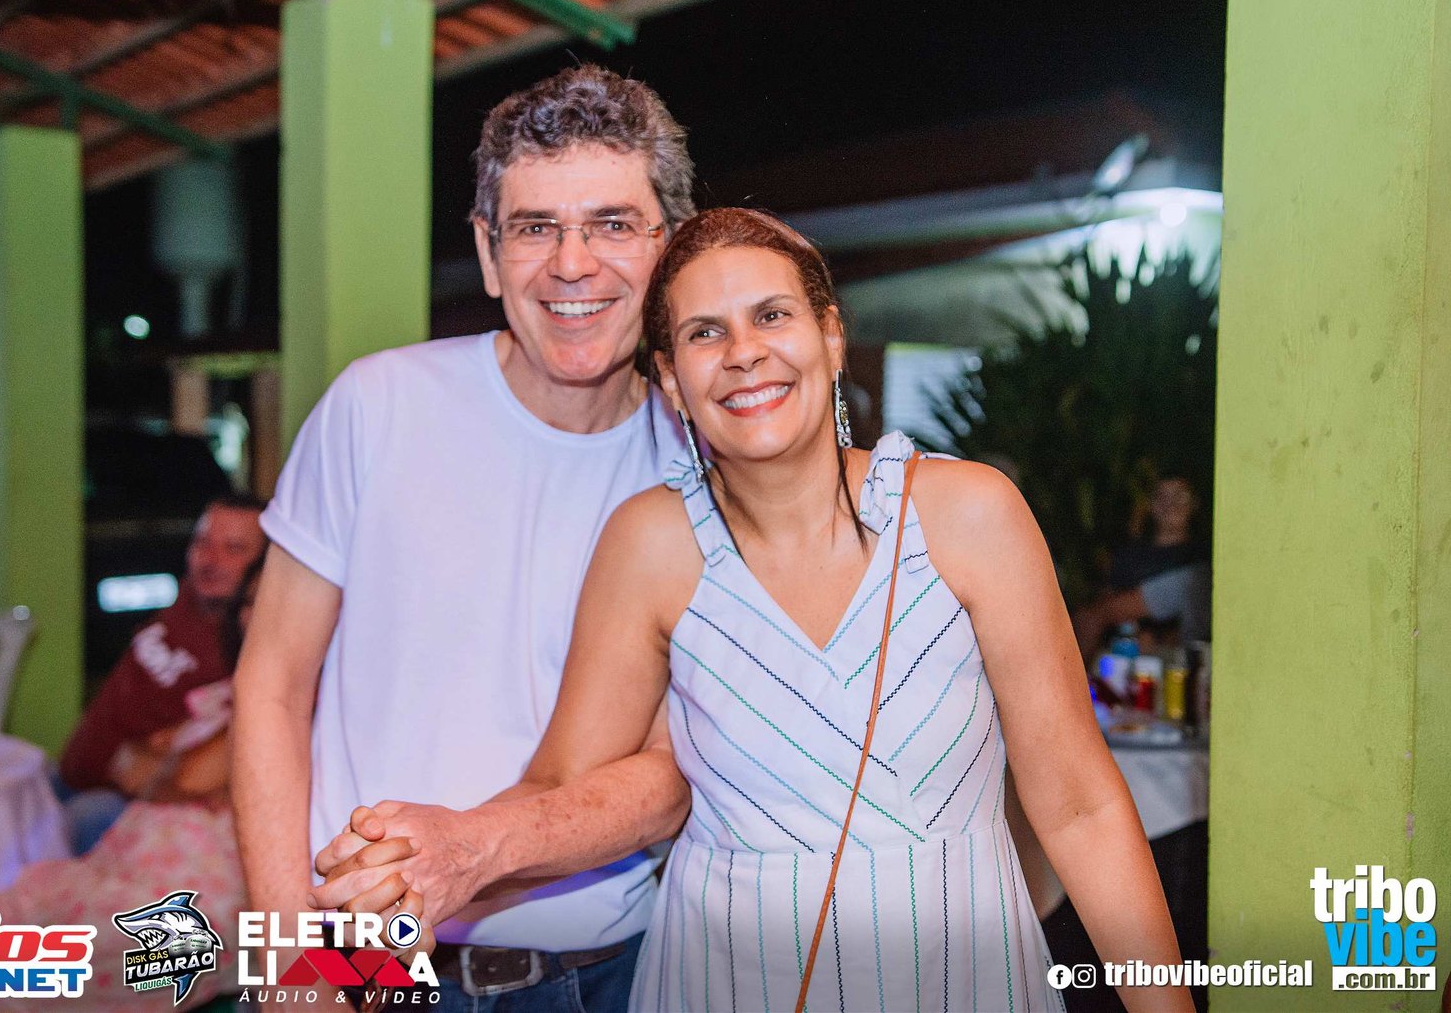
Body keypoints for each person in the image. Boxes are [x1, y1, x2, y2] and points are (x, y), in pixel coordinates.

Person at [315, 209, 1191, 1012]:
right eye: (705, 332)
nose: (743, 352)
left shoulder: (968, 515)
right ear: (670, 377)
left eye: (772, 315)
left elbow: (1080, 806)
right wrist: (426, 866)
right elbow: (564, 785)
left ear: (831, 336)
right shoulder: (652, 544)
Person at [233, 64, 696, 1011]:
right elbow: (271, 682)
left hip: (598, 976)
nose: (573, 264)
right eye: (535, 227)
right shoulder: (378, 405)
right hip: (365, 967)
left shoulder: (700, 468)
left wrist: (474, 849)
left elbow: (669, 772)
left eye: (613, 223)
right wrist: (287, 964)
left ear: (672, 249)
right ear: (488, 253)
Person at [0, 557, 263, 1013]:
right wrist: (170, 773)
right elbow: (131, 761)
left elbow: (186, 774)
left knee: (22, 977)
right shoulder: (227, 690)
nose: (253, 613)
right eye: (249, 601)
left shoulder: (276, 702)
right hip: (123, 861)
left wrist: (168, 772)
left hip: (187, 884)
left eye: (266, 602)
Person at [57, 494, 265, 853]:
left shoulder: (245, 643)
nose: (210, 560)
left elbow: (198, 768)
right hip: (75, 773)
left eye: (233, 549)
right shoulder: (189, 598)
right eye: (202, 543)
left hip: (128, 806)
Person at [1074, 474, 1211, 661]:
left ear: (1194, 504)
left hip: (1174, 661)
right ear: (1151, 504)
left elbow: (1196, 628)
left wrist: (1158, 639)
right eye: (1162, 497)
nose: (1170, 504)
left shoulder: (1202, 558)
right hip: (1120, 654)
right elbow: (1101, 609)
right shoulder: (1128, 554)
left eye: (1180, 496)